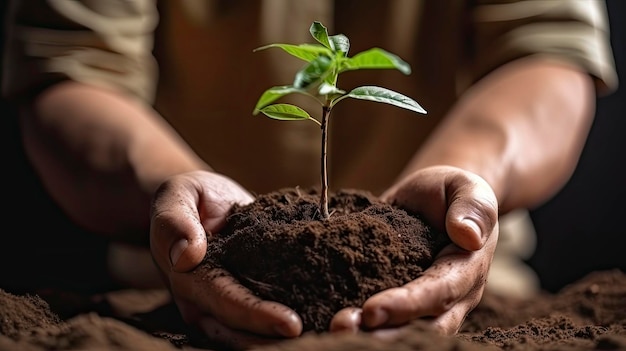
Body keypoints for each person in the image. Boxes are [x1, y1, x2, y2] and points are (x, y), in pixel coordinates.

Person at [0, 0, 617, 349]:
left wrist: (464, 182)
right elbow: (70, 68)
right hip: (178, 296)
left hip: (470, 304)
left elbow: (548, 52)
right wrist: (177, 198)